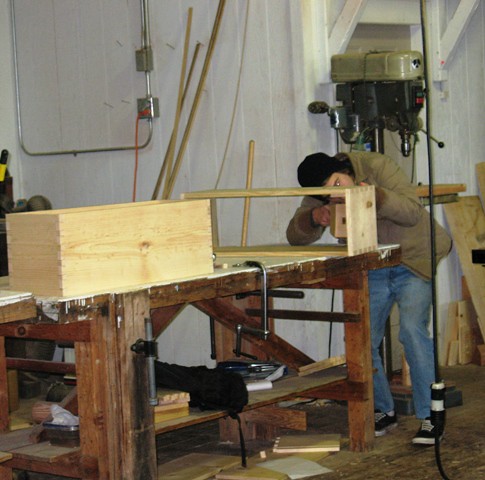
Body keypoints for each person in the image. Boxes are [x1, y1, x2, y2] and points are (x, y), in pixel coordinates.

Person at [286, 151, 452, 445]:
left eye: (338, 186)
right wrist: (314, 217)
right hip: (373, 264)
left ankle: (430, 415)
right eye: (328, 196)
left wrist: (376, 197)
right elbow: (294, 235)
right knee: (361, 338)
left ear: (344, 169)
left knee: (412, 331)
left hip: (412, 258)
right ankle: (383, 409)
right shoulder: (323, 191)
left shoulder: (377, 166)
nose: (336, 196)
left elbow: (412, 211)